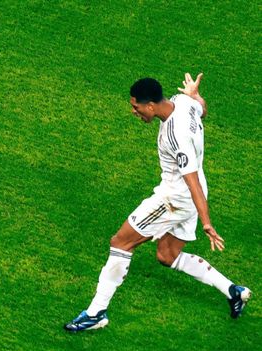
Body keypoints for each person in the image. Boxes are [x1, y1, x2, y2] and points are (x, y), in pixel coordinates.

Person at [64, 73, 251, 332]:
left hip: (175, 199)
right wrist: (196, 96)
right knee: (167, 255)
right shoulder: (183, 102)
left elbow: (192, 181)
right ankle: (233, 291)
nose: (134, 111)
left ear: (151, 106)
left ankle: (96, 313)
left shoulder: (176, 136)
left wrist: (206, 223)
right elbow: (202, 109)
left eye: (136, 107)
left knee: (121, 242)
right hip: (190, 196)